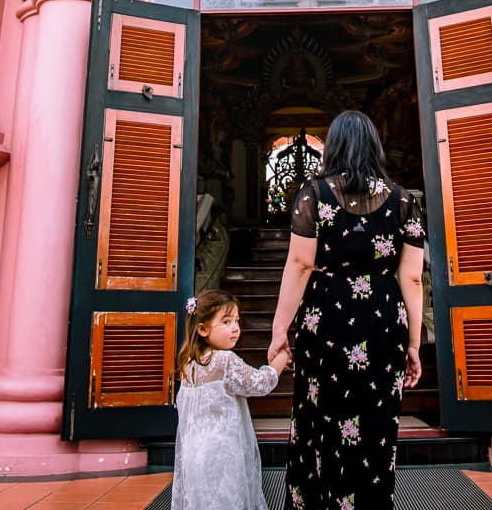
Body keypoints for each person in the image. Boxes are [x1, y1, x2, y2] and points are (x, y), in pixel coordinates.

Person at [267, 110, 425, 510]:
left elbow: (300, 265)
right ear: (375, 147)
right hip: (382, 319)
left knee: (320, 417)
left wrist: (279, 329)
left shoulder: (312, 194)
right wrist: (414, 344)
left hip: (326, 318)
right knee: (375, 424)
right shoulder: (404, 201)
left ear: (332, 147)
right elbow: (412, 279)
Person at [171, 288, 290, 510]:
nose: (235, 328)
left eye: (236, 320)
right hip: (222, 456)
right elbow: (260, 383)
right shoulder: (224, 361)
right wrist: (281, 357)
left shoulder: (188, 365)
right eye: (226, 322)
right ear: (203, 329)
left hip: (193, 455)